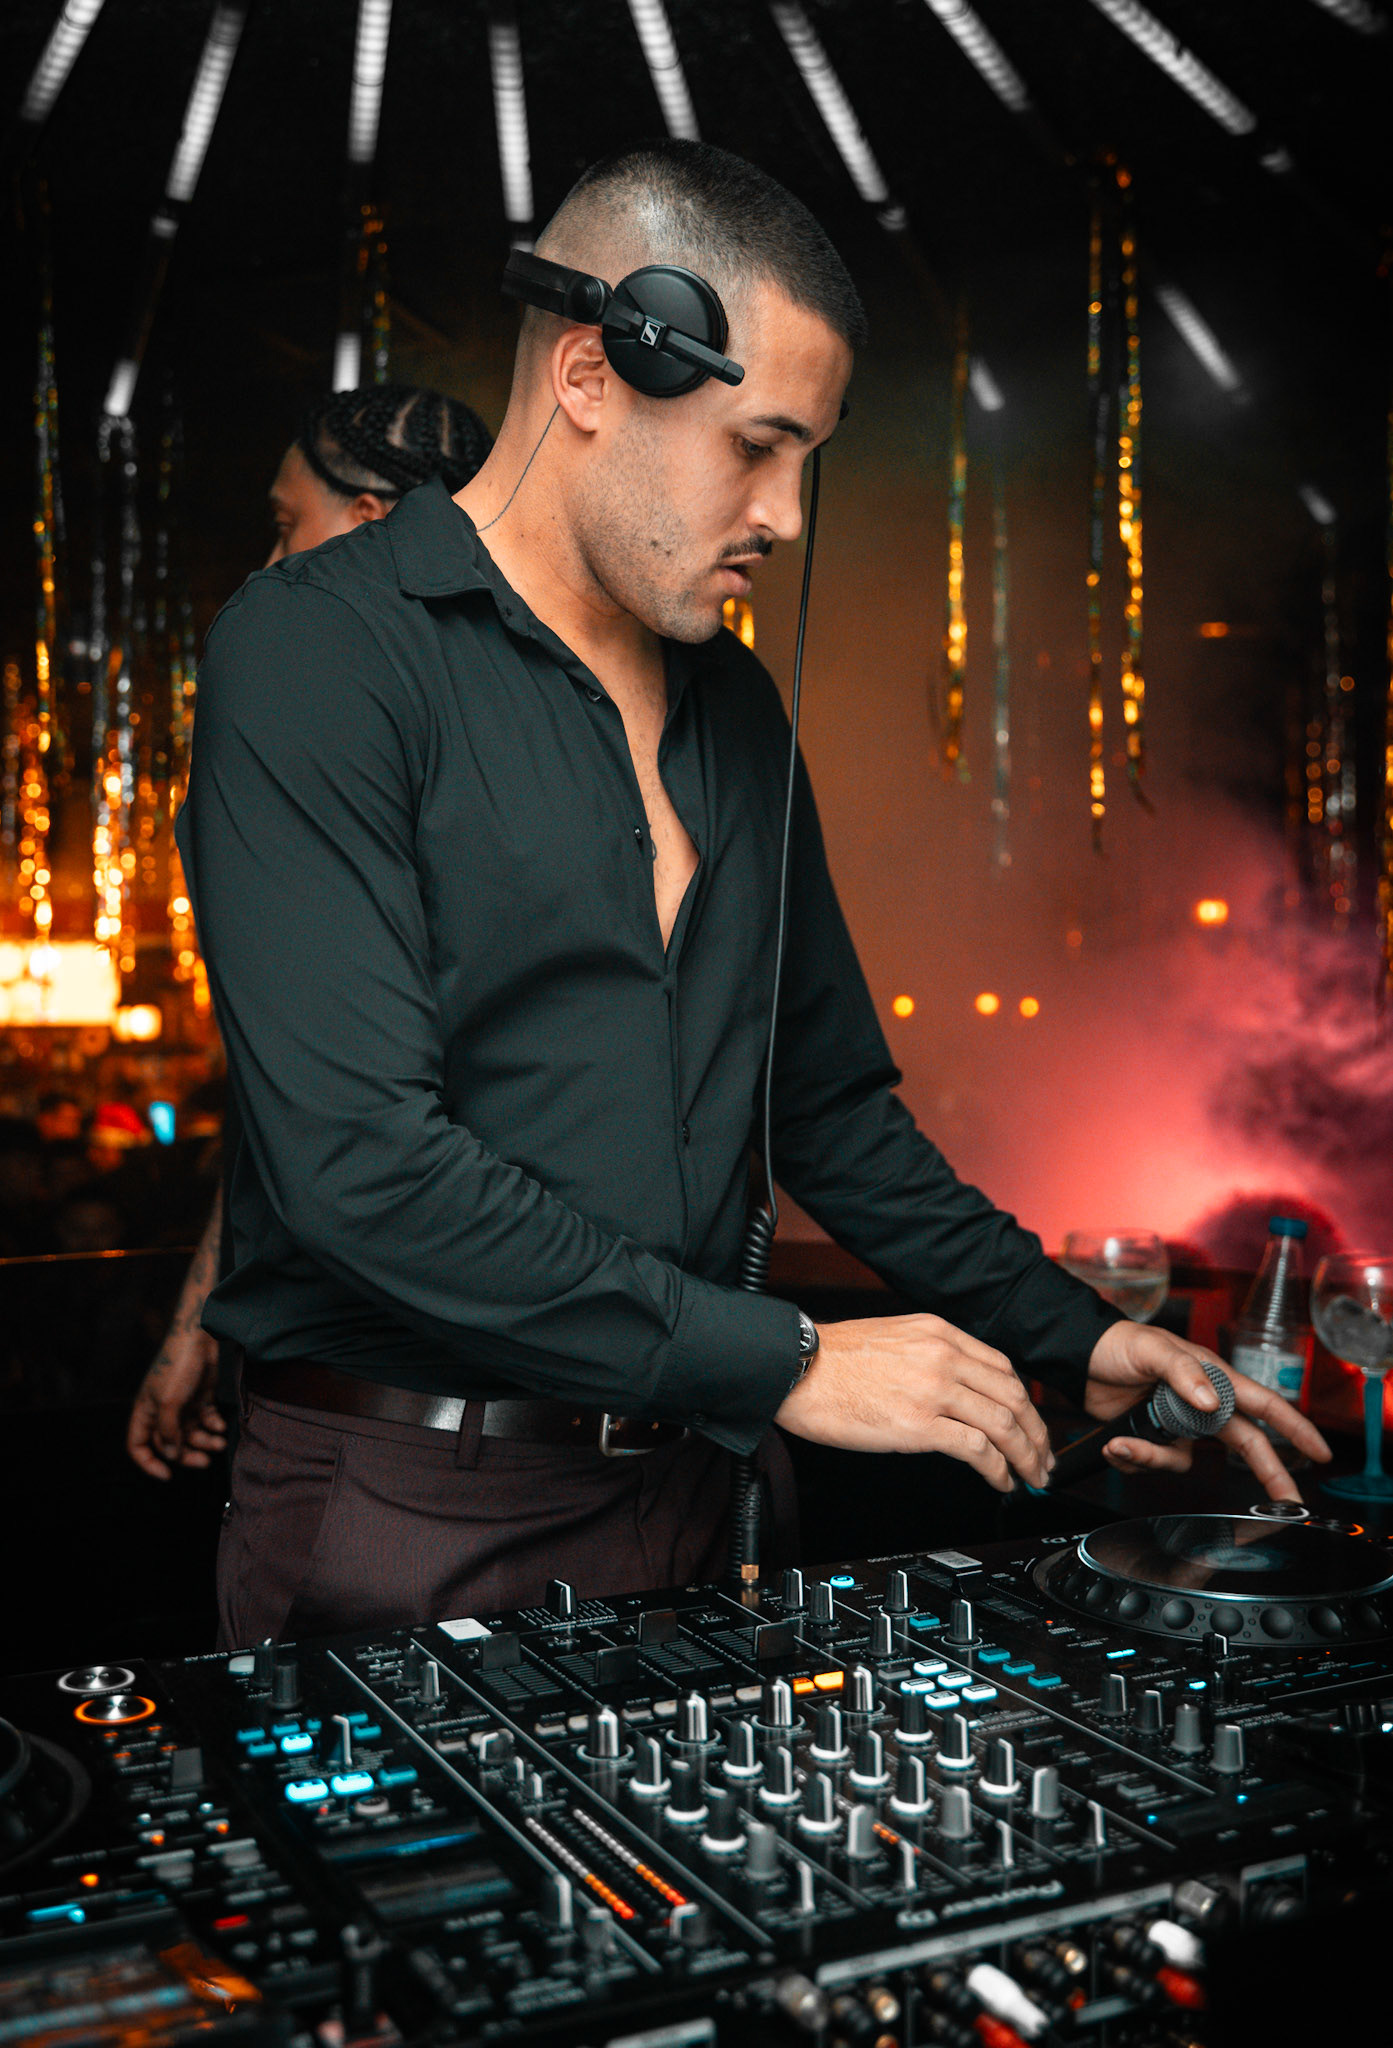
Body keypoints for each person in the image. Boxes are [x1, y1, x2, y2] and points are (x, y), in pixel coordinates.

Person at [174, 142, 1328, 1648]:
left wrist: (1079, 1336)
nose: (785, 514)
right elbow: (361, 1165)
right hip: (410, 1511)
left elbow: (825, 1103)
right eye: (757, 444)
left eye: (808, 459)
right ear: (589, 373)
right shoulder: (316, 650)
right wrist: (789, 1360)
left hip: (711, 1501)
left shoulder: (732, 708)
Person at [126, 383, 496, 1480]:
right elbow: (298, 1094)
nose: (271, 560)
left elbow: (325, 1109)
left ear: (373, 522)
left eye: (288, 524)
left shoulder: (347, 735)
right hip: (396, 1387)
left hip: (381, 1411)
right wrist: (202, 1315)